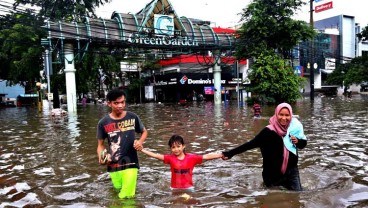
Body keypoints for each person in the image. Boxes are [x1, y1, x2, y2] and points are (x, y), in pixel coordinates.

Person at [222, 103, 307, 191]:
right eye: (281, 114)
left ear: (291, 116)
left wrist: (298, 141)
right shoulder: (268, 131)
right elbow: (250, 144)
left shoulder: (294, 128)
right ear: (276, 114)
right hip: (272, 174)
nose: (284, 118)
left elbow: (303, 144)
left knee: (297, 195)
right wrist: (230, 153)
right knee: (273, 198)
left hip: (291, 171)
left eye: (287, 115)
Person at [96, 88, 148, 199]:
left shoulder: (132, 117)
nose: (120, 105)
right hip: (113, 165)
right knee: (117, 193)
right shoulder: (103, 123)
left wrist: (140, 142)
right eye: (116, 103)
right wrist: (102, 157)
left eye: (122, 102)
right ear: (109, 103)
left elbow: (144, 132)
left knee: (126, 197)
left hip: (131, 163)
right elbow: (100, 145)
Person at [139, 134, 223, 190]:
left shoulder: (192, 158)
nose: (176, 149)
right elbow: (156, 155)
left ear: (183, 146)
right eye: (173, 147)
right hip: (174, 189)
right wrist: (142, 149)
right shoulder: (170, 158)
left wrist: (222, 154)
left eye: (178, 146)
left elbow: (206, 156)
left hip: (189, 188)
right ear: (171, 149)